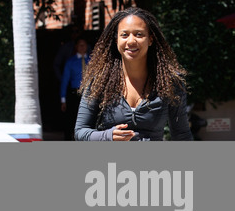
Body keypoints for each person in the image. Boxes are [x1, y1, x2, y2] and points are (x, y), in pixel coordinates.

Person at [75, 7, 193, 141]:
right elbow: (80, 132)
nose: (131, 41)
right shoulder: (99, 81)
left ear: (150, 39)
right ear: (116, 40)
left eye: (139, 34)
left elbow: (182, 135)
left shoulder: (170, 83)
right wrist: (107, 136)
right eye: (124, 35)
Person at [61, 37, 91, 140]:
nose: (82, 47)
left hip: (89, 93)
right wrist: (63, 99)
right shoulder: (71, 62)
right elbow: (65, 81)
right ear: (76, 47)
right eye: (80, 45)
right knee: (72, 118)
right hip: (75, 93)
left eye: (84, 45)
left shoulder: (92, 61)